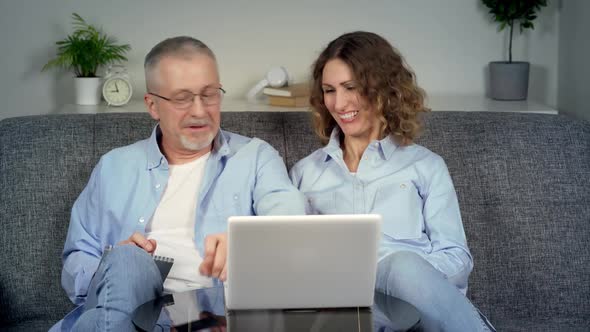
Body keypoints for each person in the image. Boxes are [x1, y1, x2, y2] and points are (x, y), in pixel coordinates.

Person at [50, 36, 305, 331]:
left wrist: (250, 243)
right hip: (133, 314)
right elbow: (76, 262)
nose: (199, 110)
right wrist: (114, 267)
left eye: (209, 94)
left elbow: (292, 225)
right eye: (183, 98)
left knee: (96, 321)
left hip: (215, 317)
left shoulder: (255, 157)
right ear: (153, 105)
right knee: (126, 260)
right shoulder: (113, 167)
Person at [290, 31, 495, 332]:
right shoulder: (305, 173)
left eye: (351, 87)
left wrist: (405, 275)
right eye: (329, 90)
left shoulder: (425, 166)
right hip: (343, 311)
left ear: (382, 88)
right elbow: (288, 262)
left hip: (415, 308)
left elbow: (457, 259)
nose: (340, 102)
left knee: (403, 267)